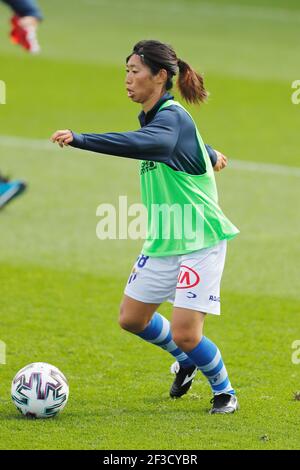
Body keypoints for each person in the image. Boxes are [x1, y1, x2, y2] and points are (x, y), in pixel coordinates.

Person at [51, 40, 240, 414]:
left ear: (160, 76)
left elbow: (153, 144)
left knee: (186, 332)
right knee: (132, 319)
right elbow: (179, 143)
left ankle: (224, 391)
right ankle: (186, 361)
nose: (128, 79)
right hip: (164, 239)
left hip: (200, 239)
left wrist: (82, 139)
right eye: (126, 71)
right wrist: (210, 153)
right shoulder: (159, 119)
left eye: (135, 71)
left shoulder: (168, 119)